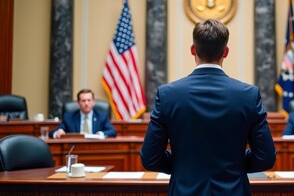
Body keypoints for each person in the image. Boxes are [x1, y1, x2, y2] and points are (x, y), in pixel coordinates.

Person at [140, 19, 276, 196]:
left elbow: (150, 158)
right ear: (226, 52)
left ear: (192, 50)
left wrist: (183, 165)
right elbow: (265, 158)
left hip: (184, 190)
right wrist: (235, 164)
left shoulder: (168, 95)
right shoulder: (248, 95)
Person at [49, 89, 117, 138]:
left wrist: (99, 134)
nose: (86, 103)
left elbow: (112, 131)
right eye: (83, 101)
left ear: (93, 102)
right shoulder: (69, 117)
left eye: (89, 100)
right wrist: (58, 132)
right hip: (76, 149)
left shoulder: (102, 116)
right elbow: (52, 133)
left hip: (96, 148)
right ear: (78, 103)